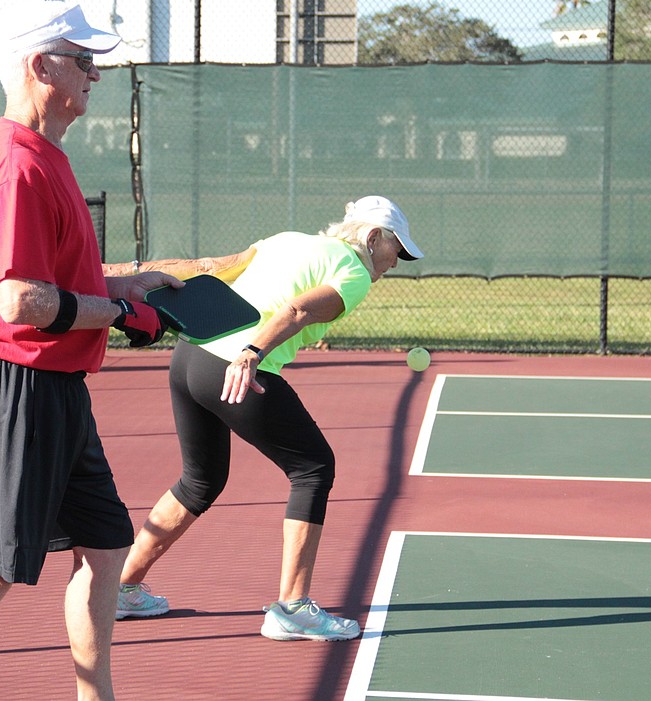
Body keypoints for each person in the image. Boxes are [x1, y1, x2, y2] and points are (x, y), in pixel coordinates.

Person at [0, 1, 181, 701]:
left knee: (106, 548)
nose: (95, 75)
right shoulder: (16, 163)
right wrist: (122, 313)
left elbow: (50, 281)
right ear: (42, 66)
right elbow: (20, 301)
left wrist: (125, 286)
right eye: (85, 61)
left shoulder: (44, 156)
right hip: (14, 383)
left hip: (52, 386)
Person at [112, 195, 424, 641]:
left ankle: (122, 587)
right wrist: (251, 353)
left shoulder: (286, 240)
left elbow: (208, 267)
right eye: (397, 249)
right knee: (314, 467)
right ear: (373, 237)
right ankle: (293, 608)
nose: (397, 262)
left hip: (189, 358)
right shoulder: (354, 272)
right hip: (233, 365)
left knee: (200, 480)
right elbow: (296, 311)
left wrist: (122, 272)